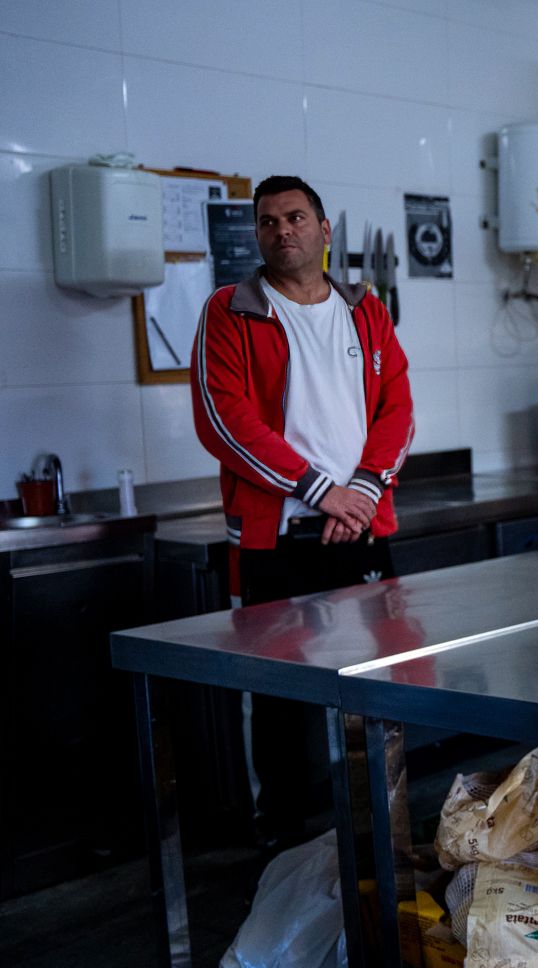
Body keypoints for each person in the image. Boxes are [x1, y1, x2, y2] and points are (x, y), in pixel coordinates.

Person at [190, 174, 415, 848]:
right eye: (267, 222)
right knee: (281, 699)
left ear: (323, 230)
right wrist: (321, 491)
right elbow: (221, 420)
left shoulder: (365, 309)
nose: (281, 230)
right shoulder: (229, 311)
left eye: (294, 217)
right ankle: (284, 842)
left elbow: (397, 406)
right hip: (279, 536)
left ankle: (384, 831)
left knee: (381, 685)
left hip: (361, 528)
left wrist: (366, 490)